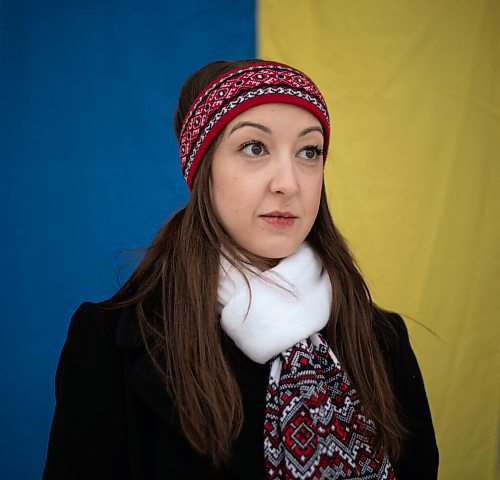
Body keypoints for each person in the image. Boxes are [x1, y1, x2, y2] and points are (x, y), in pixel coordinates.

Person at [42, 59, 439, 480]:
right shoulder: (112, 344)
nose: (288, 183)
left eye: (309, 151)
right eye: (255, 148)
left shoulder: (380, 340)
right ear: (203, 169)